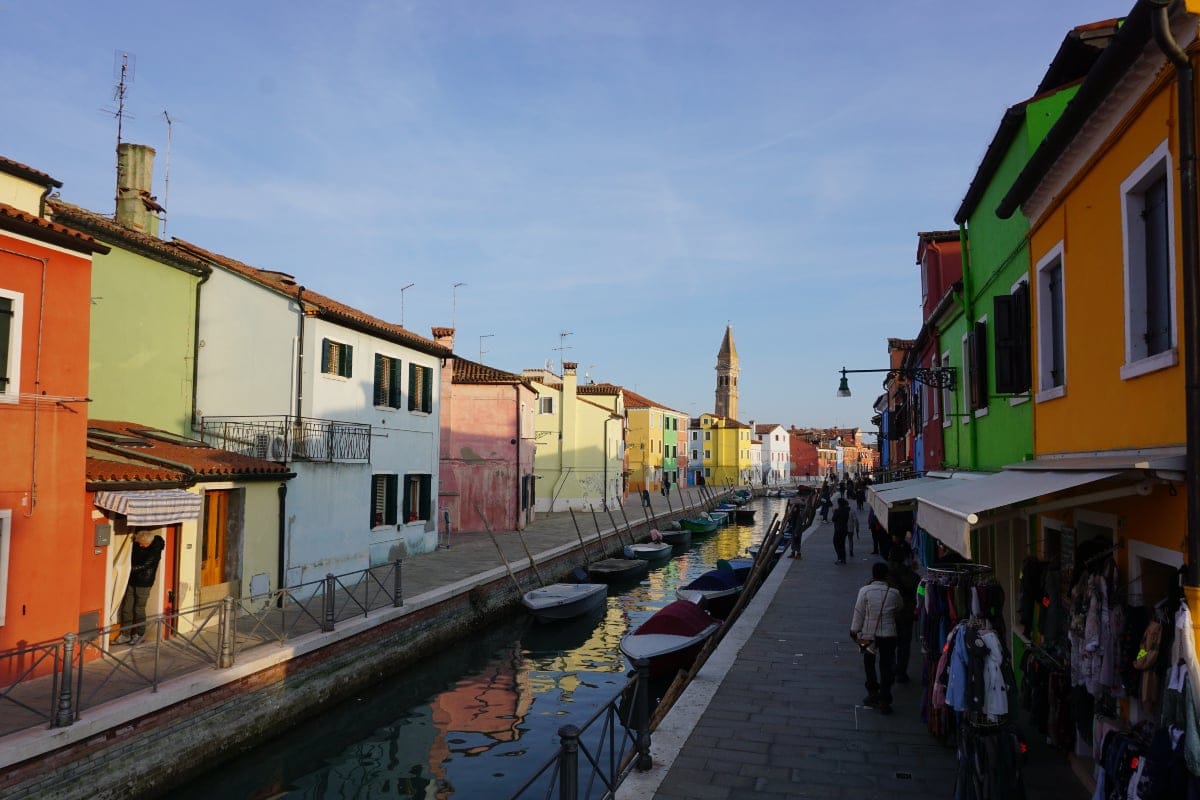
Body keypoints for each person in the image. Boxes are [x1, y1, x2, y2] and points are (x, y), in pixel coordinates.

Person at [850, 562, 903, 714]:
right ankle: (885, 699)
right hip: (889, 634)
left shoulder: (864, 591)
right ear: (886, 575)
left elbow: (858, 612)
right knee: (886, 666)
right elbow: (900, 607)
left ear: (873, 574)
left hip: (867, 633)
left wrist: (854, 630)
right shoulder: (894, 592)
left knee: (868, 662)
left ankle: (872, 690)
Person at [116, 530, 165, 645]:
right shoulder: (140, 544)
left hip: (144, 582)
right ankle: (125, 634)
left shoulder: (155, 550)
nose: (140, 545)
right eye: (139, 543)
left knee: (139, 609)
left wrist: (127, 570)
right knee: (127, 608)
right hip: (131, 580)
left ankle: (140, 634)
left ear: (148, 542)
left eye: (142, 544)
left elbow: (146, 565)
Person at [886, 543, 921, 683]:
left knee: (889, 643)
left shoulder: (885, 573)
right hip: (906, 613)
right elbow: (919, 590)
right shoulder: (910, 574)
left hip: (889, 613)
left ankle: (891, 667)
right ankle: (901, 671)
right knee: (904, 644)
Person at [831, 497, 851, 564]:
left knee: (836, 543)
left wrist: (834, 513)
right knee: (842, 544)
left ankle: (840, 558)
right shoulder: (846, 510)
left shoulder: (838, 511)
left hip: (838, 529)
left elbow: (833, 519)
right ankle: (843, 559)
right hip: (844, 529)